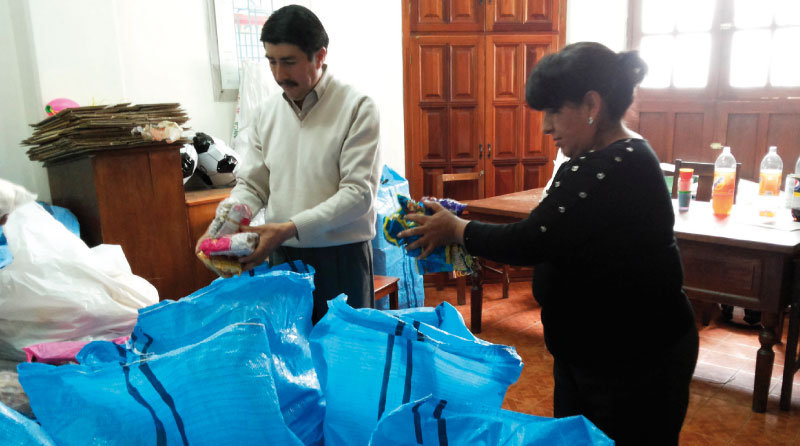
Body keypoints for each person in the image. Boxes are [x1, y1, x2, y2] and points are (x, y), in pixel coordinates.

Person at [398, 42, 698, 445]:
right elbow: (552, 230)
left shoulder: (612, 166)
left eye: (554, 111)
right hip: (595, 355)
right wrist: (458, 223)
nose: (545, 127)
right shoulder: (607, 159)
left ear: (592, 103)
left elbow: (532, 240)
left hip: (635, 362)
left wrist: (457, 230)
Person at [197, 5, 381, 324]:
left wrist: (287, 228)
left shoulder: (357, 107)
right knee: (291, 360)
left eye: (289, 62)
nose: (280, 74)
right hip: (283, 256)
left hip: (342, 258)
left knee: (342, 359)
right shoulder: (268, 112)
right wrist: (222, 224)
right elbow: (253, 184)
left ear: (319, 55)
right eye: (272, 61)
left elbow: (357, 195)